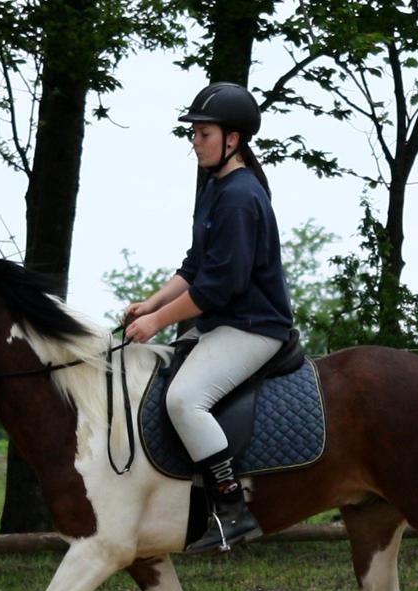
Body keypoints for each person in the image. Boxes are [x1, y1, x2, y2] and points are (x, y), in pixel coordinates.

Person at [124, 81, 294, 554]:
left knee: (184, 400)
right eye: (193, 133)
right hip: (225, 323)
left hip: (254, 327)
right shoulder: (218, 188)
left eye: (203, 133)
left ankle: (233, 510)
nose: (195, 141)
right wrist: (153, 303)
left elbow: (221, 285)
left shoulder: (240, 196)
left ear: (232, 139)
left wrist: (157, 324)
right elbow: (196, 266)